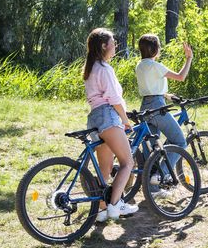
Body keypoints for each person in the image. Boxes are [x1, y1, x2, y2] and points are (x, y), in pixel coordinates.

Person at [83, 28, 139, 222]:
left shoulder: (91, 68)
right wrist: (125, 119)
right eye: (113, 42)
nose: (115, 45)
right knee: (127, 162)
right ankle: (116, 205)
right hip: (108, 116)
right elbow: (113, 98)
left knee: (104, 170)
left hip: (95, 119)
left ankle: (101, 210)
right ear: (104, 46)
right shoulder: (105, 68)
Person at [135, 34, 193, 178]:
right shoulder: (156, 66)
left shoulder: (140, 65)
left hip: (145, 106)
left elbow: (151, 87)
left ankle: (152, 186)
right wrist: (189, 58)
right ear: (155, 49)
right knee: (180, 141)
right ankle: (162, 175)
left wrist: (166, 95)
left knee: (152, 151)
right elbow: (181, 76)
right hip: (157, 106)